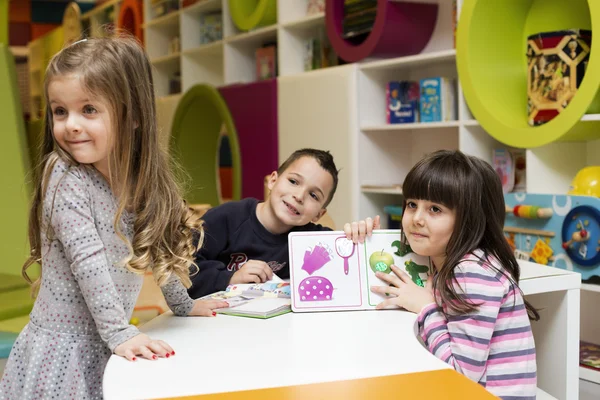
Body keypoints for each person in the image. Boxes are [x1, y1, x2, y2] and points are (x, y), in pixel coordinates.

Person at [0, 36, 226, 400]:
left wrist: (182, 304)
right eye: (60, 111)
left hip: (106, 341)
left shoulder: (138, 178)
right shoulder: (65, 175)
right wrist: (120, 333)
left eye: (88, 109)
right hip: (64, 352)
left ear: (132, 116)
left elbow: (157, 246)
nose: (71, 125)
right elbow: (87, 261)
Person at [371, 150, 539, 400]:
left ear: (468, 219)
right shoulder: (446, 257)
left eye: (435, 209)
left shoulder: (469, 272)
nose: (416, 218)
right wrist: (367, 236)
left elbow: (462, 374)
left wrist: (425, 307)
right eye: (412, 204)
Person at [188, 148, 380, 298]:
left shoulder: (312, 240)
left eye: (313, 195)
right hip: (215, 324)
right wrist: (230, 278)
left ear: (319, 214)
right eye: (294, 181)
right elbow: (178, 269)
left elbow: (352, 273)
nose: (299, 196)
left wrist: (364, 238)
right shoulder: (226, 218)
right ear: (273, 180)